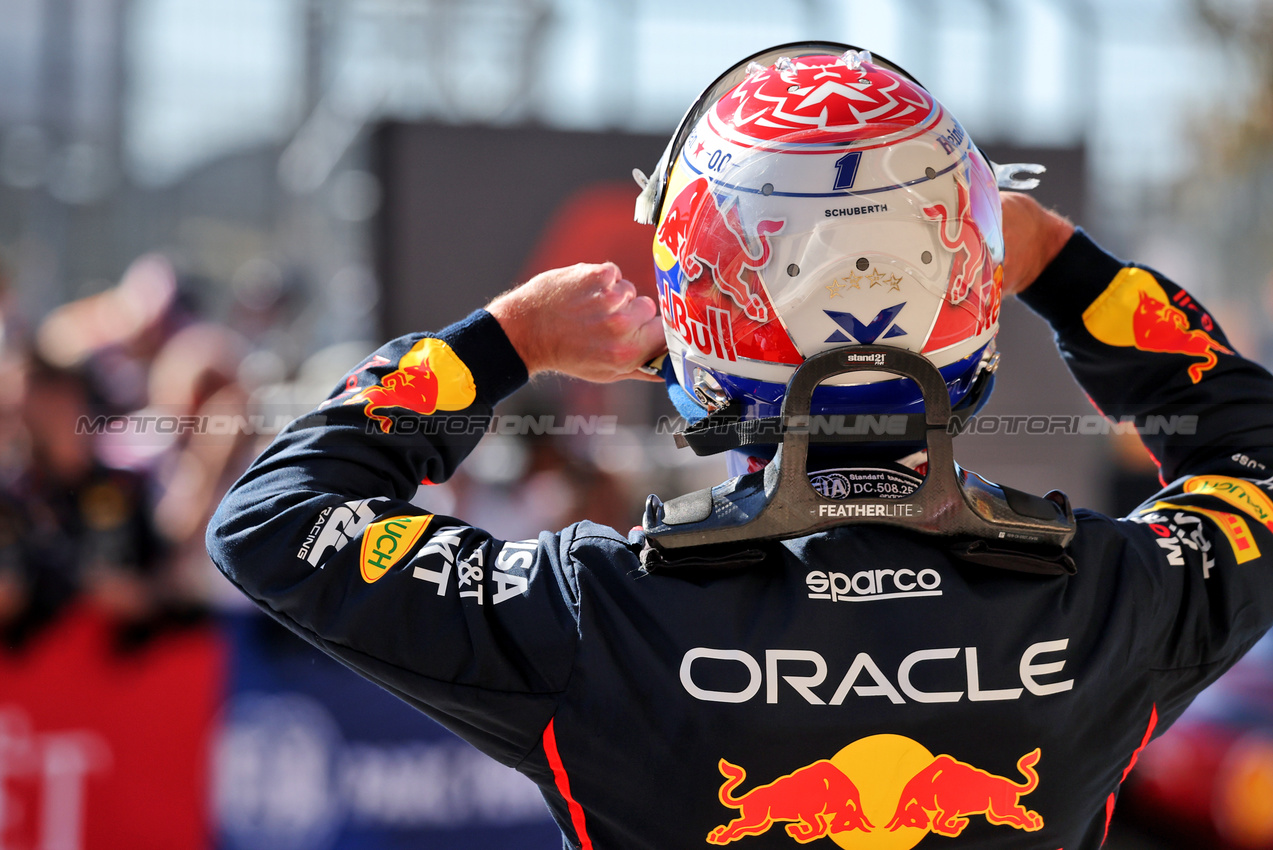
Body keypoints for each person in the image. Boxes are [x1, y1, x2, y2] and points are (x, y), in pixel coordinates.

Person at [208, 43, 1273, 849]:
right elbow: (1253, 450)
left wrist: (508, 338)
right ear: (969, 279)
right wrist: (1062, 265)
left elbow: (274, 518)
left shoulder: (600, 614)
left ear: (697, 304)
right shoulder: (1110, 596)